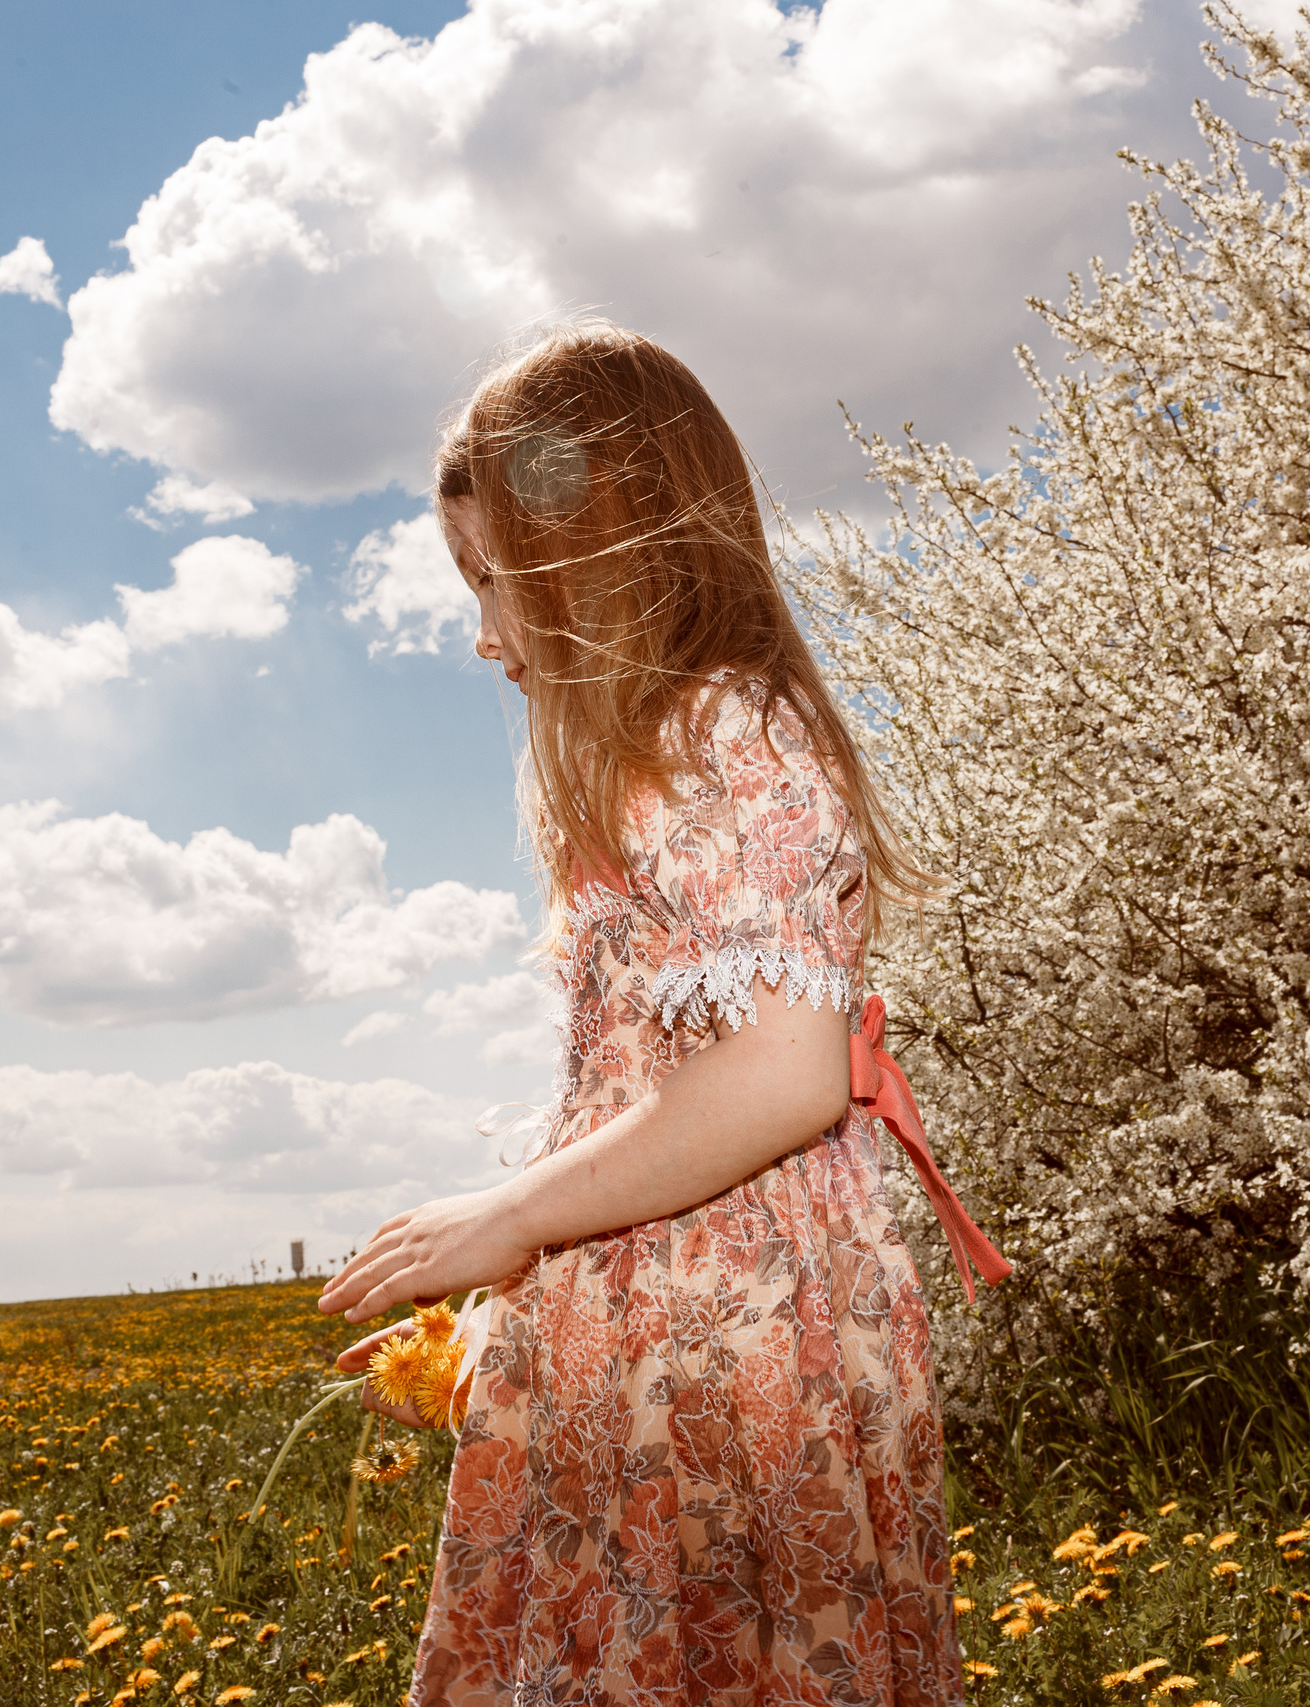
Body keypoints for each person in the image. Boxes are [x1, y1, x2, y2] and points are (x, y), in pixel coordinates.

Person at [317, 321, 1005, 1707]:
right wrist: (529, 1302)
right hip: (667, 1324)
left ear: (604, 560)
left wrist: (505, 1219)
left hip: (739, 1345)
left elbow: (784, 1071)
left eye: (502, 583)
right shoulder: (661, 763)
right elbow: (660, 1083)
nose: (485, 635)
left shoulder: (729, 738)